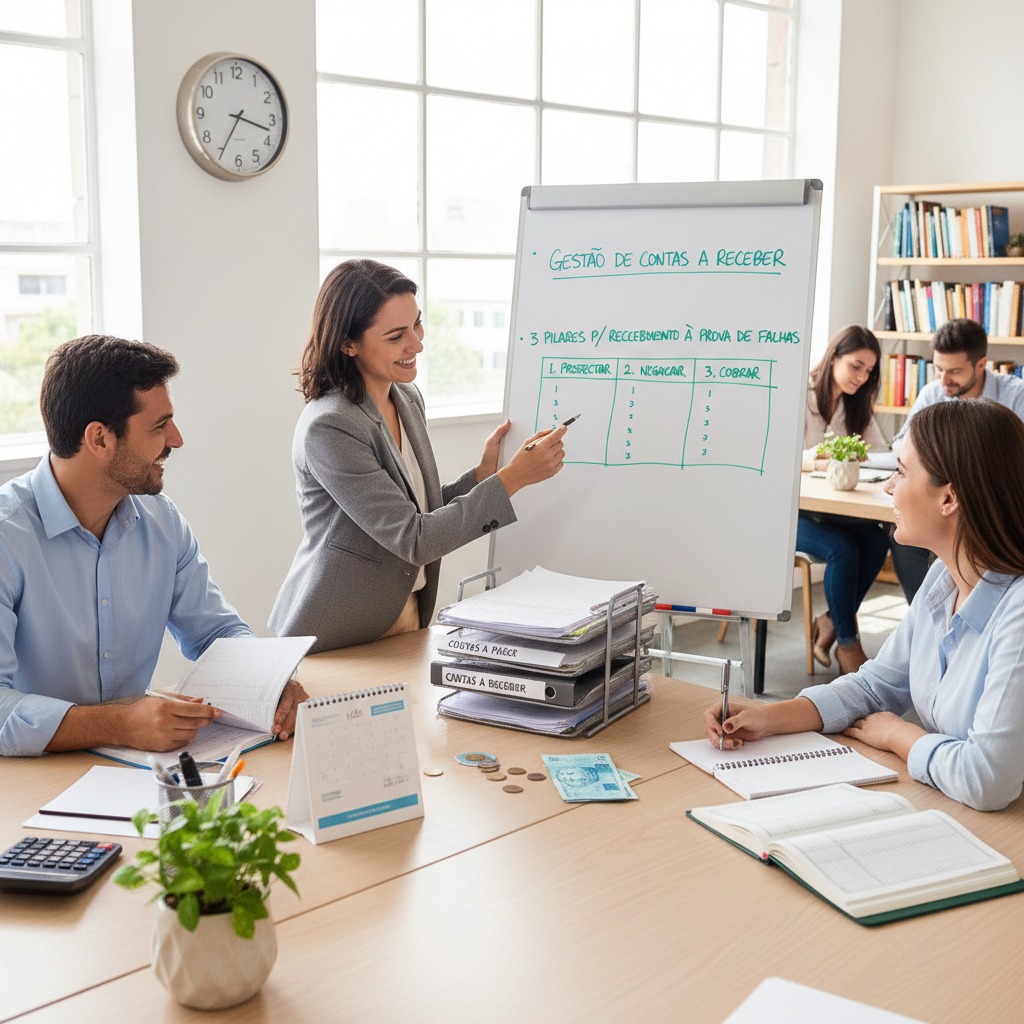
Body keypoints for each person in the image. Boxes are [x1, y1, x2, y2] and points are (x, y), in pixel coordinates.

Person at [705, 400, 1024, 812]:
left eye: (902, 471)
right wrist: (771, 718)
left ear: (950, 498)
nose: (889, 486)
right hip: (949, 806)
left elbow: (988, 780)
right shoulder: (944, 580)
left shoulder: (1016, 612)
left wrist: (899, 736)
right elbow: (875, 686)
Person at [0, 335, 307, 757]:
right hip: (27, 780)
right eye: (160, 426)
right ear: (100, 439)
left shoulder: (162, 522)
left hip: (133, 768)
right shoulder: (7, 537)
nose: (176, 440)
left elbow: (217, 633)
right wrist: (120, 723)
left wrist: (268, 683)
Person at [270, 259, 566, 653]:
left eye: (417, 325)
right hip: (337, 634)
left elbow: (415, 511)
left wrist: (481, 475)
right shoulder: (330, 427)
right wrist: (512, 479)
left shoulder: (406, 397)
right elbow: (414, 537)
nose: (417, 344)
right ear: (348, 343)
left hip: (403, 613)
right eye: (396, 336)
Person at [890, 318, 1024, 604]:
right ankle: (927, 613)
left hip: (995, 505)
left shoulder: (1016, 395)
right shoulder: (933, 393)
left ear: (980, 364)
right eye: (938, 369)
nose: (943, 380)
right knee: (903, 536)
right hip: (946, 497)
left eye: (954, 371)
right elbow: (903, 445)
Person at [798, 325, 891, 675]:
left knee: (876, 538)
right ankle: (849, 647)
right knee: (843, 549)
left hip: (827, 510)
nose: (862, 377)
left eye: (869, 371)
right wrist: (817, 459)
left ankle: (830, 622)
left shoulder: (855, 406)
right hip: (788, 515)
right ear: (833, 356)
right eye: (856, 366)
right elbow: (777, 457)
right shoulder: (801, 395)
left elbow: (879, 451)